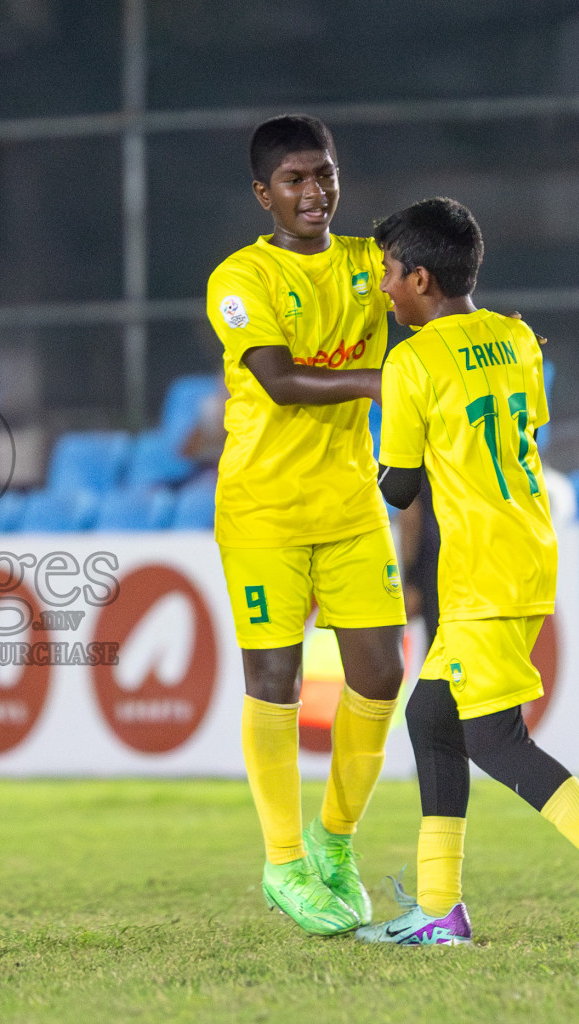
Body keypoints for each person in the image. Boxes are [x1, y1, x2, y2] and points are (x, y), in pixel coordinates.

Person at [364, 197, 579, 946]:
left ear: (419, 278)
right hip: (523, 546)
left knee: (493, 738)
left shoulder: (410, 360)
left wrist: (360, 470)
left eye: (388, 274)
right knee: (431, 719)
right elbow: (519, 434)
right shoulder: (516, 339)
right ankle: (439, 910)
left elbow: (401, 488)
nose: (382, 288)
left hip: (481, 565)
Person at [204, 114, 406, 936]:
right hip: (263, 510)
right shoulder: (238, 279)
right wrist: (381, 380)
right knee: (275, 680)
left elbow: (434, 294)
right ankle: (282, 861)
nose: (312, 191)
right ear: (263, 194)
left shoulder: (370, 263)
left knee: (379, 676)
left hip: (351, 505)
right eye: (293, 179)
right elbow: (280, 381)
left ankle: (333, 841)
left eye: (322, 174)